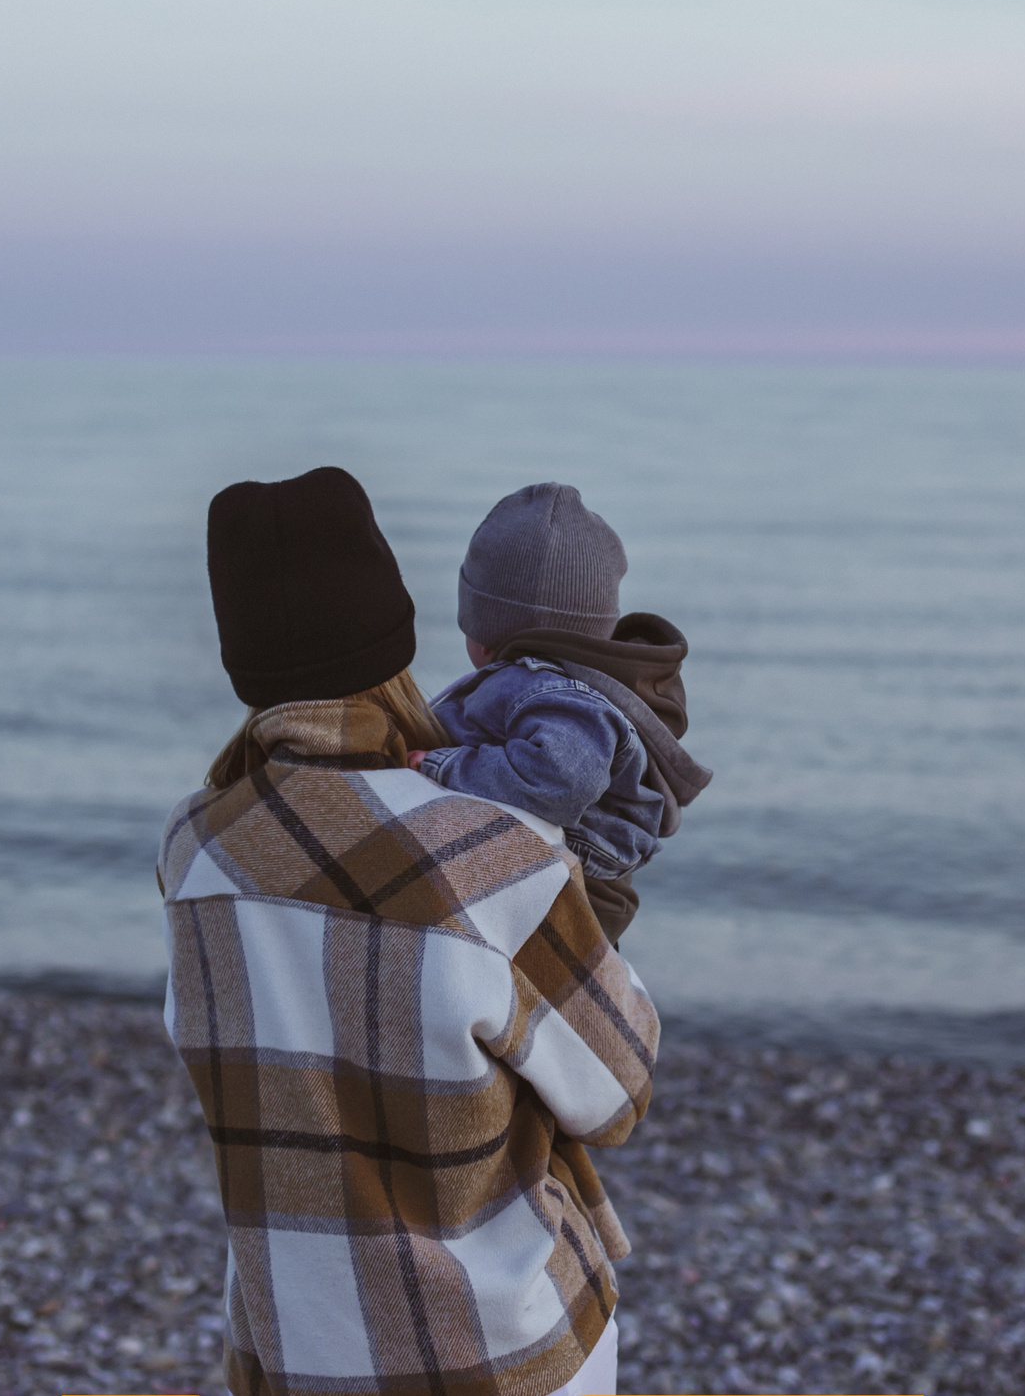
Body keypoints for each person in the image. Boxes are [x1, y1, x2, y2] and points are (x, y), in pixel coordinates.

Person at [158, 466, 660, 1396]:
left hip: (295, 1350)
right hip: (508, 1356)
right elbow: (617, 1091)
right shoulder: (488, 849)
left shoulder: (195, 853)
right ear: (397, 635)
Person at [411, 484, 712, 945]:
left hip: (570, 891)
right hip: (578, 889)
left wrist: (443, 766)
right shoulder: (559, 687)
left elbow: (563, 778)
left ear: (484, 631)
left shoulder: (540, 687)